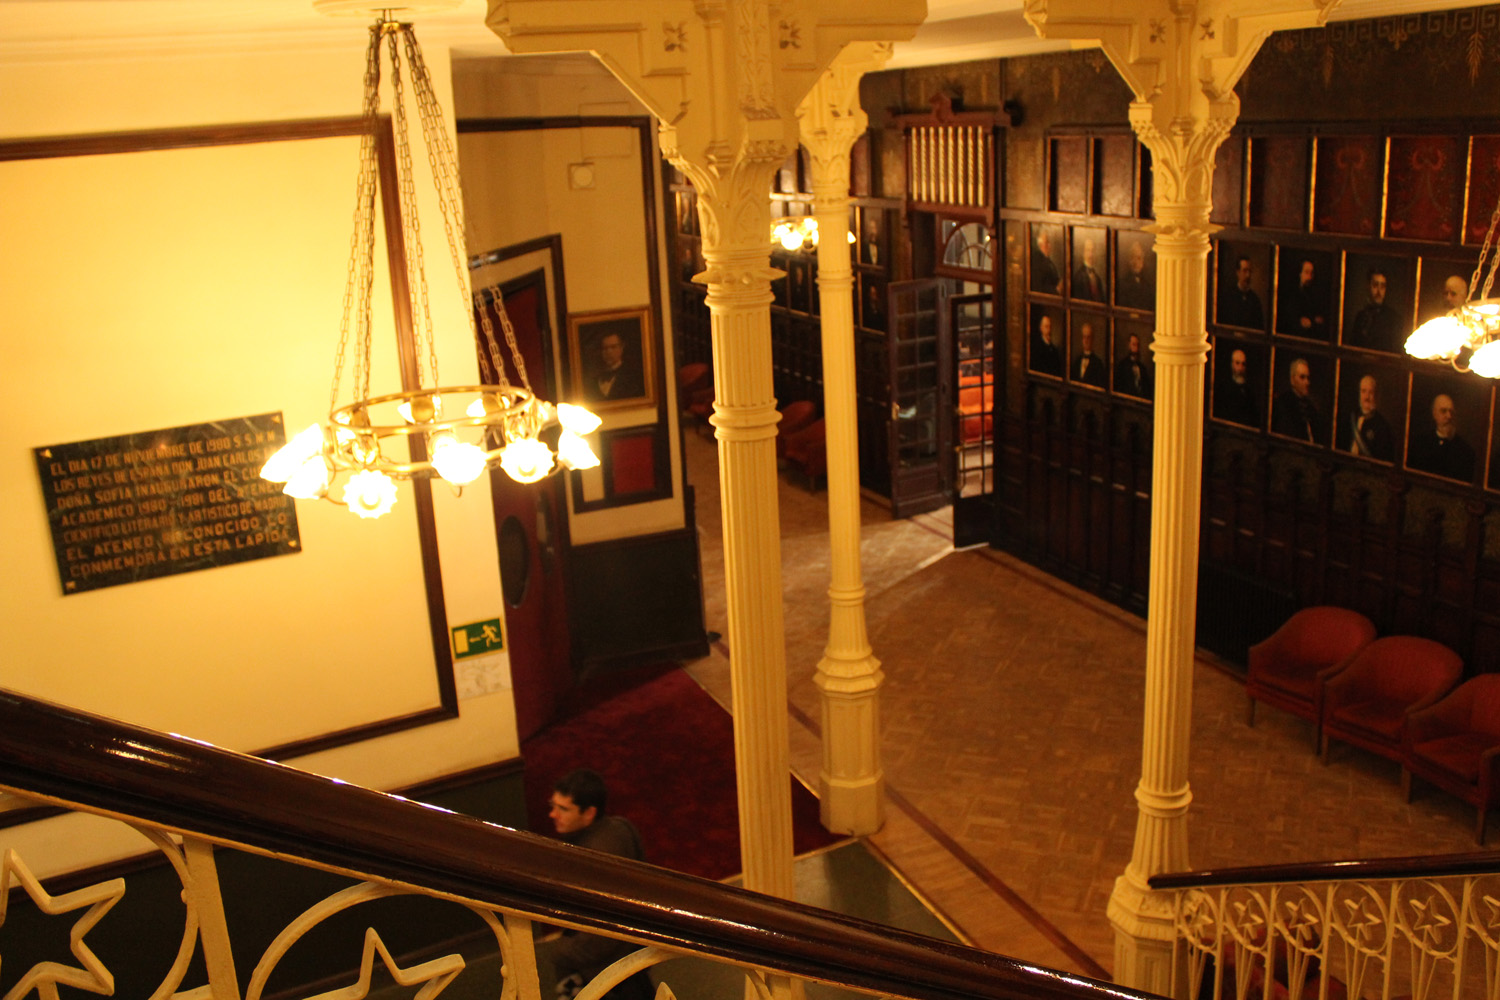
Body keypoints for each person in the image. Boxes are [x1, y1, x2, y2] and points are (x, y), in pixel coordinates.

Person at [545, 769, 653, 1000]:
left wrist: (561, 953)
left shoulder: (592, 860)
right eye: (553, 805)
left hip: (610, 967)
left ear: (589, 813)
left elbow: (604, 936)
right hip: (636, 952)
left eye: (563, 809)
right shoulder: (621, 827)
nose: (553, 814)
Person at [1408, 393, 1476, 481]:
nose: (1448, 416)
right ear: (1434, 414)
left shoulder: (1465, 451)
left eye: (1451, 412)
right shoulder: (1420, 443)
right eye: (1443, 411)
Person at [1345, 267, 1404, 353]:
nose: (1379, 291)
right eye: (1375, 285)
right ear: (1368, 286)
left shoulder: (1394, 319)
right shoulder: (1361, 317)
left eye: (1383, 286)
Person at [1339, 373, 1394, 462]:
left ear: (1376, 395)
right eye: (1363, 391)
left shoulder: (1382, 426)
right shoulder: (1350, 417)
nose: (1367, 397)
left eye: (1371, 392)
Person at [1271, 357, 1324, 444]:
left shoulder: (1311, 407)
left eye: (1308, 378)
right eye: (1302, 377)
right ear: (1292, 380)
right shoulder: (1283, 403)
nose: (1307, 382)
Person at [586, 331, 646, 402]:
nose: (609, 352)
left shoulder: (634, 377)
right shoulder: (593, 381)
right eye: (605, 348)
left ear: (622, 348)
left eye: (613, 347)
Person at [1277, 257, 1328, 338]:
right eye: (1306, 272)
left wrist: (1311, 322)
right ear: (1300, 273)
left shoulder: (1315, 296)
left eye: (1312, 273)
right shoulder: (1291, 295)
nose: (1309, 277)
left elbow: (1320, 321)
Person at [1214, 347, 1258, 427]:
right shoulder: (1224, 388)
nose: (1240, 368)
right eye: (1237, 363)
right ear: (1231, 364)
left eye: (1243, 364)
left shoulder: (1249, 391)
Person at [1217, 255, 1264, 329]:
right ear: (1238, 272)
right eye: (1245, 271)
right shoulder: (1227, 297)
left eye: (1250, 271)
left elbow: (1259, 327)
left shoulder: (1255, 300)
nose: (1248, 275)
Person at [1116, 238, 1153, 310]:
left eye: (1139, 258)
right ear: (1128, 259)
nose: (1136, 263)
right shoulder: (1121, 284)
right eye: (1133, 257)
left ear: (1143, 260)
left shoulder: (1148, 284)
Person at [1114, 333, 1152, 398]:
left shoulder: (1142, 368)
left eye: (1138, 345)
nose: (1136, 348)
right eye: (1134, 345)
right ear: (1129, 346)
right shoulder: (1122, 366)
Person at [1071, 321, 1106, 387]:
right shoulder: (1077, 361)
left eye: (1088, 337)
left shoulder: (1098, 363)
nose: (1086, 340)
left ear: (1092, 339)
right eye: (1084, 337)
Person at [1072, 236, 1106, 302]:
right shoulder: (1078, 277)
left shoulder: (1097, 278)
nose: (1091, 254)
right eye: (1088, 250)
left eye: (1092, 251)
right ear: (1083, 253)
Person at [1030, 228, 1061, 294]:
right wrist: (1056, 289)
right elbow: (1038, 288)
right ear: (1040, 245)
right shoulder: (1037, 263)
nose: (1049, 245)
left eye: (1049, 242)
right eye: (1046, 243)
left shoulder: (1049, 261)